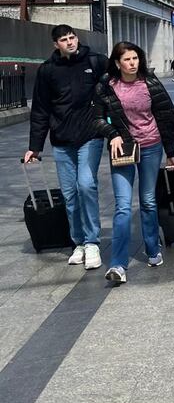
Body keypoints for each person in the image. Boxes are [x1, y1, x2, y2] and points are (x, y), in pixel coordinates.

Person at [94, 41, 174, 286]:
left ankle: (153, 248)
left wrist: (170, 151)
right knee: (123, 206)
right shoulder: (106, 86)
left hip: (151, 145)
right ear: (117, 63)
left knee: (148, 201)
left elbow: (164, 117)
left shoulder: (150, 82)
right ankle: (118, 264)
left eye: (135, 58)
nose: (132, 63)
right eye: (127, 59)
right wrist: (112, 134)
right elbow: (97, 119)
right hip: (122, 148)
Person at [23, 25, 108, 269]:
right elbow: (41, 110)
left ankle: (92, 242)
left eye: (72, 37)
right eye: (64, 39)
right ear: (56, 44)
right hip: (61, 140)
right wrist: (35, 146)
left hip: (90, 135)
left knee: (86, 185)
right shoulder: (48, 70)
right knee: (69, 194)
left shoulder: (96, 61)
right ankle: (78, 242)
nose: (70, 42)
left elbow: (113, 93)